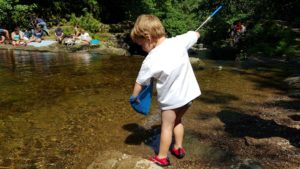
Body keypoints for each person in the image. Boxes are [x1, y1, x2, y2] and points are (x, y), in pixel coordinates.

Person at [130, 15, 201, 167]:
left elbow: (140, 82)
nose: (142, 49)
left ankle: (162, 157)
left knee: (166, 127)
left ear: (148, 37)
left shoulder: (150, 60)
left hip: (171, 101)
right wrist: (194, 34)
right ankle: (178, 148)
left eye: (141, 45)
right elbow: (196, 34)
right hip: (188, 96)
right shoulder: (179, 41)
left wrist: (134, 97)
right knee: (178, 121)